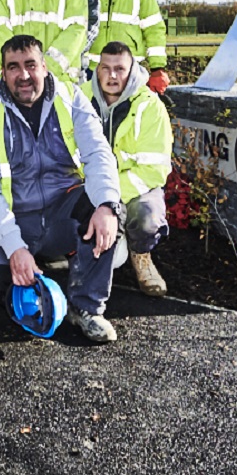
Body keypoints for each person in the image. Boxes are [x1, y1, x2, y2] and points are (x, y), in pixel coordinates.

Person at [0, 34, 124, 343]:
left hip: (62, 210)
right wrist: (14, 246)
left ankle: (86, 307)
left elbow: (98, 154)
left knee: (106, 211)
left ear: (44, 66)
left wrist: (107, 205)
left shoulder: (72, 98)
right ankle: (36, 289)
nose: (23, 75)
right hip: (17, 216)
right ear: (3, 72)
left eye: (30, 65)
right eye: (13, 67)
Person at [89, 42, 172, 297]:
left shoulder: (150, 106)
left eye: (120, 69)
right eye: (106, 68)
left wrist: (110, 199)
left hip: (134, 189)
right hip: (90, 188)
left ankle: (141, 255)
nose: (112, 76)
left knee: (147, 215)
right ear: (97, 70)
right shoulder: (79, 99)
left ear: (131, 70)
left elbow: (154, 169)